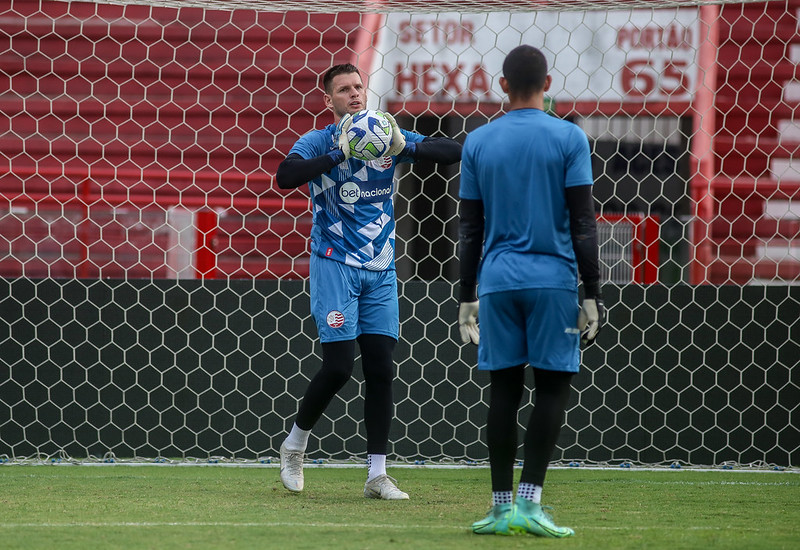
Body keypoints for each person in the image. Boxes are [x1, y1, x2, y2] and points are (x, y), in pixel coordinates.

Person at [275, 63, 461, 500]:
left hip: (380, 267)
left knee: (381, 366)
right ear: (329, 100)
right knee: (339, 366)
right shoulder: (320, 140)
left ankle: (377, 475)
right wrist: (341, 152)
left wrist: (403, 145)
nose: (355, 94)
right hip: (334, 263)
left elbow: (453, 150)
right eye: (344, 89)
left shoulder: (385, 134)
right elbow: (285, 177)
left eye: (359, 87)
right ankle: (295, 445)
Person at [456, 45, 605, 536]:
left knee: (502, 391)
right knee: (552, 390)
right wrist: (591, 292)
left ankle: (499, 508)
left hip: (497, 283)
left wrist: (465, 295)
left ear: (502, 86)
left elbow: (469, 228)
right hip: (553, 282)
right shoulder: (569, 138)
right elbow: (583, 221)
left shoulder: (478, 141)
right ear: (547, 84)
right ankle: (530, 504)